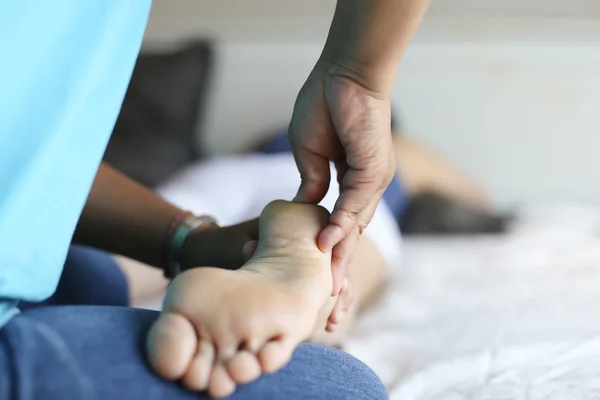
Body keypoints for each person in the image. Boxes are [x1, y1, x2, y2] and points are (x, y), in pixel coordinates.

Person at [0, 1, 430, 399]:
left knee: (79, 267)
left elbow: (31, 174)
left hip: (211, 189)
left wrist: (194, 242)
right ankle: (314, 293)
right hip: (305, 191)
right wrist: (357, 75)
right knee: (344, 359)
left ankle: (292, 271)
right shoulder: (394, 158)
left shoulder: (233, 164)